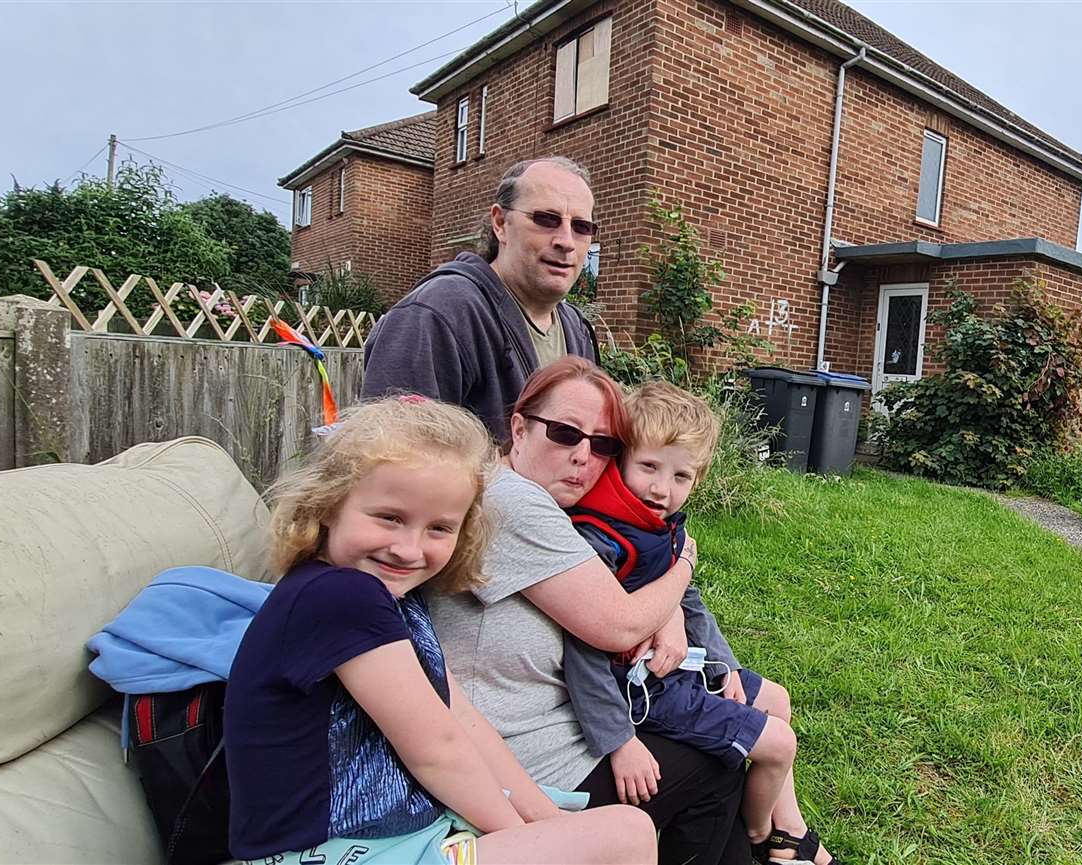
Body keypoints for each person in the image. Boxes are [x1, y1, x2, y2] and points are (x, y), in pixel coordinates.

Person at [224, 395, 653, 865]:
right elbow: (437, 751)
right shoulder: (342, 597)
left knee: (589, 831)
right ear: (329, 505)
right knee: (626, 834)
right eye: (389, 518)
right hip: (330, 855)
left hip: (399, 839)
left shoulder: (391, 598)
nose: (409, 549)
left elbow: (461, 719)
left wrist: (545, 822)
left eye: (439, 529)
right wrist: (527, 839)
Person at [425, 358, 754, 865]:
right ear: (519, 426)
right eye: (564, 433)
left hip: (561, 722)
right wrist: (685, 562)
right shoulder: (516, 503)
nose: (584, 457)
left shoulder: (541, 498)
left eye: (603, 445)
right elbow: (616, 623)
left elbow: (632, 600)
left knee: (734, 734)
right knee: (717, 766)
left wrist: (670, 617)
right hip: (525, 757)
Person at [564, 381, 838, 865]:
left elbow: (687, 598)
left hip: (677, 672)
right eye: (648, 467)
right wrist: (617, 741)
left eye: (681, 476)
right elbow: (582, 649)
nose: (660, 489)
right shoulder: (600, 538)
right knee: (779, 743)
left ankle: (787, 830)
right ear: (622, 457)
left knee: (777, 699)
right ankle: (761, 837)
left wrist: (724, 666)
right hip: (640, 697)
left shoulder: (658, 526)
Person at [362, 156, 602, 441]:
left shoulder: (576, 328)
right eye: (545, 220)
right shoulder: (437, 315)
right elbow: (389, 461)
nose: (566, 241)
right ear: (500, 223)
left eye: (581, 227)